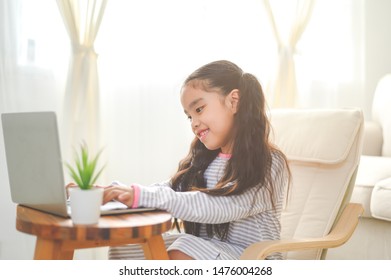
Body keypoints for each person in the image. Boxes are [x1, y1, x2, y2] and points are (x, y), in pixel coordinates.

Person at [101, 60, 290, 260]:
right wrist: (114, 195)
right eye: (189, 117)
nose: (194, 123)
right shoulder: (206, 159)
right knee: (125, 248)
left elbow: (218, 206)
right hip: (210, 252)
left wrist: (140, 195)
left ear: (234, 101)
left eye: (198, 109)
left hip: (253, 260)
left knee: (184, 247)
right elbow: (170, 190)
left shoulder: (269, 163)